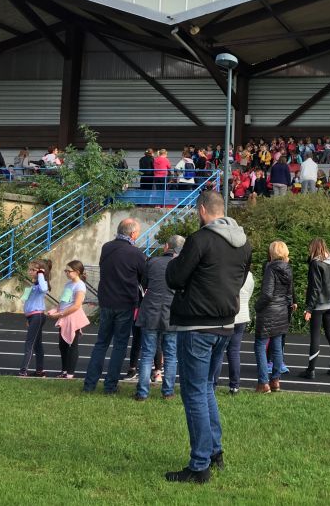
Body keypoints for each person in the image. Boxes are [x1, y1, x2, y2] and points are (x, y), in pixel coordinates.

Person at [164, 190, 252, 484]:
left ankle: (199, 465)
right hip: (226, 324)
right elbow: (239, 279)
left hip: (196, 325)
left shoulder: (200, 240)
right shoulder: (244, 243)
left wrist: (176, 260)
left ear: (202, 210)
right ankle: (214, 453)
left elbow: (175, 277)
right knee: (205, 389)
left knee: (194, 393)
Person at [83, 219, 146, 394]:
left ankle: (89, 384)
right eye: (137, 232)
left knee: (101, 343)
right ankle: (110, 386)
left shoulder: (107, 247)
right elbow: (144, 276)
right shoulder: (136, 253)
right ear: (132, 234)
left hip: (106, 301)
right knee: (120, 345)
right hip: (125, 303)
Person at [134, 236, 184, 401]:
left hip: (150, 311)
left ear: (166, 246)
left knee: (147, 353)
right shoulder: (182, 265)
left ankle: (142, 392)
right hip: (172, 314)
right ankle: (168, 392)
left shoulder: (153, 262)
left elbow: (144, 284)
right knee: (170, 355)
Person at [254, 241, 295, 393]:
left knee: (260, 345)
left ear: (272, 253)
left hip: (268, 311)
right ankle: (275, 381)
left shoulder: (270, 268)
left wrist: (257, 307)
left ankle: (263, 383)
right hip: (282, 311)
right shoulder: (288, 269)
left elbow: (267, 294)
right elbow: (289, 294)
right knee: (277, 347)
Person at [299, 238, 330, 380]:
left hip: (318, 305)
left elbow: (315, 288)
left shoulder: (316, 263)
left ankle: (310, 370)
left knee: (315, 336)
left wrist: (309, 309)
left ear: (313, 248)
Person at [48, 260, 90, 379]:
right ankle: (65, 370)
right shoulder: (68, 284)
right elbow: (64, 301)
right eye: (65, 271)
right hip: (64, 317)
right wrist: (55, 309)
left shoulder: (80, 285)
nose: (66, 273)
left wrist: (60, 314)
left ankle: (70, 373)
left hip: (72, 317)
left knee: (72, 344)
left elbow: (76, 305)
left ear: (77, 272)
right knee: (63, 345)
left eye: (68, 271)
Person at [215, 270, 254, 395]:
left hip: (228, 315)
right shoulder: (249, 275)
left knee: (218, 351)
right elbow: (249, 293)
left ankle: (212, 384)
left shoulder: (228, 271)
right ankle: (234, 386)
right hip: (242, 315)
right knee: (234, 352)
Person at [18, 259, 51, 377]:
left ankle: (23, 371)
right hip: (32, 317)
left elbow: (44, 289)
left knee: (29, 343)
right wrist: (27, 318)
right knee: (37, 344)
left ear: (41, 272)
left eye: (33, 270)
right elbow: (28, 303)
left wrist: (41, 274)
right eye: (30, 269)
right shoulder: (34, 286)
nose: (30, 272)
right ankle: (39, 371)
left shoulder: (43, 284)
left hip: (38, 316)